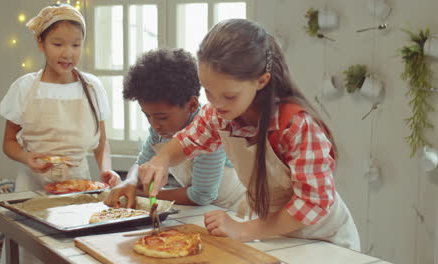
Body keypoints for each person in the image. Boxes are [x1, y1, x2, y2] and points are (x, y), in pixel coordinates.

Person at [137, 19, 361, 251]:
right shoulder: (218, 114)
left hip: (322, 240)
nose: (216, 103)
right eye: (208, 92)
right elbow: (187, 141)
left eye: (229, 95)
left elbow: (312, 203)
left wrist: (243, 229)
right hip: (270, 233)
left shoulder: (297, 126)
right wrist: (160, 161)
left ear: (261, 81)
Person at [0, 4, 120, 263]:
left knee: (72, 254)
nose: (68, 53)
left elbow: (102, 144)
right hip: (32, 189)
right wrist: (26, 157)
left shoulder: (93, 87)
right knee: (31, 255)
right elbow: (8, 143)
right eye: (58, 44)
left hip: (80, 188)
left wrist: (106, 170)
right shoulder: (24, 88)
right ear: (40, 43)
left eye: (76, 45)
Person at [104, 48, 246, 212]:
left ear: (192, 105)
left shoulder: (209, 130)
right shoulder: (160, 132)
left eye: (162, 117)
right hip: (201, 212)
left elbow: (201, 195)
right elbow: (143, 163)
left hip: (236, 209)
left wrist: (145, 194)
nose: (155, 124)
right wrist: (130, 181)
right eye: (147, 116)